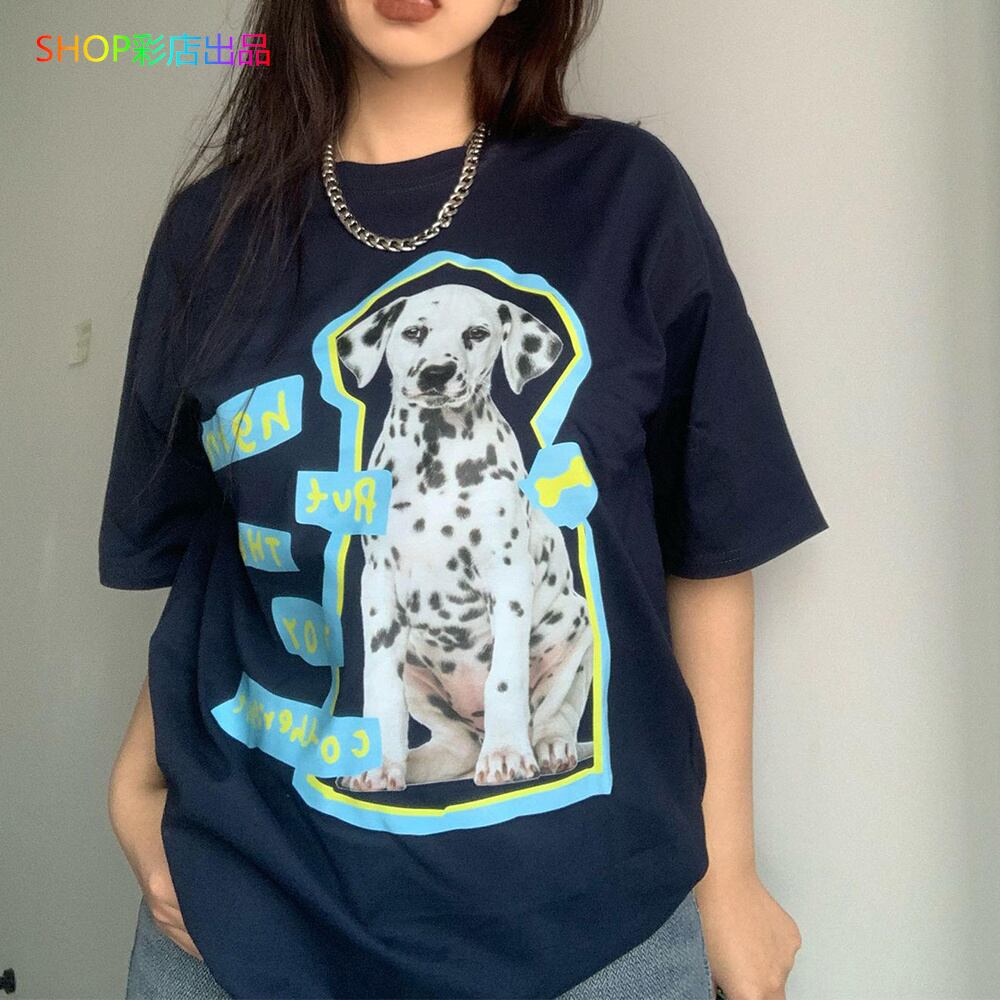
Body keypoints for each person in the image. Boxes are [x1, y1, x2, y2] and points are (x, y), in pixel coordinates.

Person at [101, 1, 828, 998]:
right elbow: (222, 553)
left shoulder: (623, 196)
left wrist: (728, 869)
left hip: (591, 933)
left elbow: (712, 537)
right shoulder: (211, 232)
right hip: (247, 923)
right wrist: (133, 784)